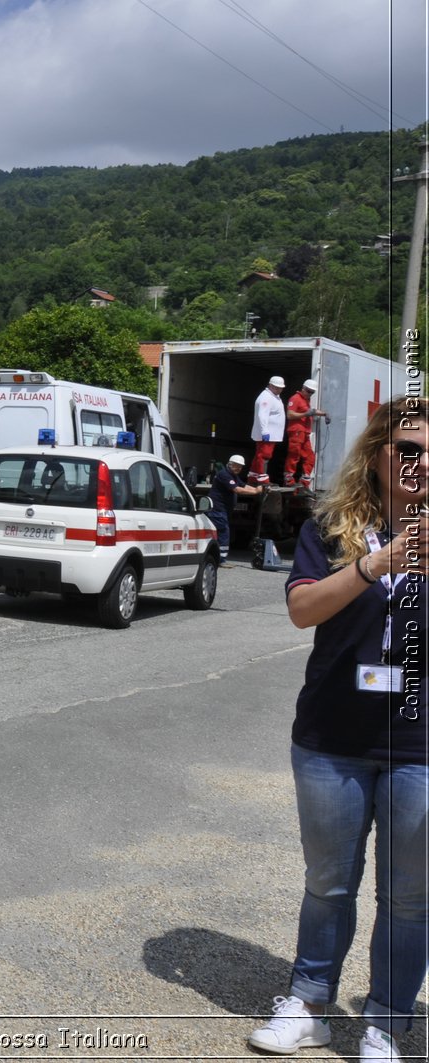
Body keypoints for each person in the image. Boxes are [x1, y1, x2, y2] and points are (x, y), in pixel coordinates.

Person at [246, 395, 425, 1062]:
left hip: (420, 744)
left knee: (409, 897)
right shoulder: (332, 526)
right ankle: (311, 1002)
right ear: (378, 453)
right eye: (407, 447)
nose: (420, 462)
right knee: (328, 882)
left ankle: (384, 1024)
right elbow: (302, 610)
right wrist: (375, 565)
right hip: (332, 739)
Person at [206, 454, 264, 567]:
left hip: (222, 510)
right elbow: (237, 490)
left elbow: (244, 486)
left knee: (218, 533)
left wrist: (258, 489)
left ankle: (216, 558)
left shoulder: (233, 476)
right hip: (217, 510)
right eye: (236, 466)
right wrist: (255, 492)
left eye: (240, 467)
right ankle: (221, 560)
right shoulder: (224, 475)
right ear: (230, 464)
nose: (238, 469)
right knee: (223, 533)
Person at [283, 379, 328, 488]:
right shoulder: (295, 399)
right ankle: (288, 479)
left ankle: (304, 483)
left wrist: (325, 414)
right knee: (294, 455)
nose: (310, 394)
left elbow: (311, 411)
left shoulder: (305, 400)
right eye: (308, 391)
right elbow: (289, 415)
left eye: (312, 392)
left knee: (310, 457)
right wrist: (305, 414)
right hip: (296, 431)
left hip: (304, 433)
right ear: (303, 388)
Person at [250, 375, 286, 485]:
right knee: (264, 455)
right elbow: (262, 415)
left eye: (281, 388)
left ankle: (253, 476)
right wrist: (265, 431)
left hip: (272, 433)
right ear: (270, 385)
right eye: (277, 387)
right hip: (267, 433)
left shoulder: (274, 397)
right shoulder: (266, 397)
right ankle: (262, 478)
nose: (279, 389)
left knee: (259, 455)